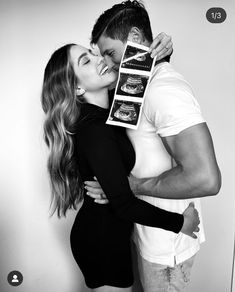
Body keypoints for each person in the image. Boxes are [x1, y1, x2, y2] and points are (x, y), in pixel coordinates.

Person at [85, 1, 222, 291]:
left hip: (166, 250)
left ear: (134, 38)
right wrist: (163, 51)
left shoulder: (164, 89)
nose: (107, 63)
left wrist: (129, 187)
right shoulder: (135, 82)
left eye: (110, 53)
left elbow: (205, 179)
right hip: (145, 234)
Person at [41, 43, 200, 292]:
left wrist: (163, 49)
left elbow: (139, 68)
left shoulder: (111, 113)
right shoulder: (95, 128)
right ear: (77, 88)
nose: (99, 59)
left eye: (94, 52)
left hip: (111, 235)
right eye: (86, 61)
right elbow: (124, 204)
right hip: (101, 241)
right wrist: (182, 223)